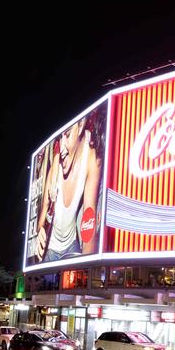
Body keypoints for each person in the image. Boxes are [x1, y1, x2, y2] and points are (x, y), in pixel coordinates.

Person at [35, 109, 104, 262]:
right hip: (51, 249)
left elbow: (89, 220)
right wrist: (40, 231)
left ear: (80, 127)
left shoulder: (91, 157)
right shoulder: (56, 167)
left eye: (67, 135)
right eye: (60, 138)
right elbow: (41, 219)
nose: (63, 146)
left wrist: (88, 272)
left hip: (72, 245)